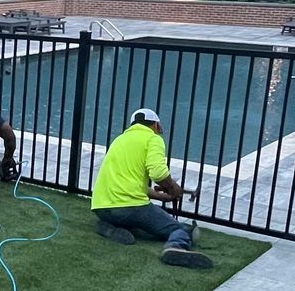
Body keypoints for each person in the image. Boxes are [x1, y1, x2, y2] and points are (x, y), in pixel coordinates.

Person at [89, 107, 213, 268]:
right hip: (130, 208)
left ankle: (106, 226)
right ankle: (174, 247)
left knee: (134, 222)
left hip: (101, 207)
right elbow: (158, 173)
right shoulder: (152, 139)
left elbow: (128, 184)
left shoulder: (119, 140)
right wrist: (173, 188)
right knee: (179, 229)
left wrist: (164, 196)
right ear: (155, 125)